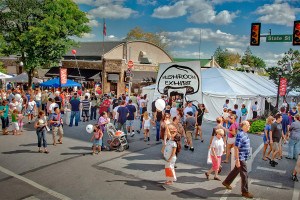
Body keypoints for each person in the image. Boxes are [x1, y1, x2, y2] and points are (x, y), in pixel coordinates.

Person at [222, 120, 253, 199]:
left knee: (236, 170)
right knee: (245, 174)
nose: (249, 126)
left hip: (244, 157)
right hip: (241, 157)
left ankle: (226, 182)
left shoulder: (245, 134)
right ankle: (245, 192)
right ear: (244, 126)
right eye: (248, 125)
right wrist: (237, 160)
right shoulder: (240, 134)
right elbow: (236, 148)